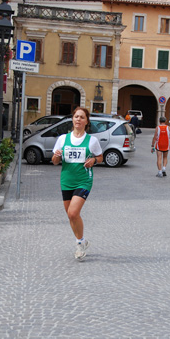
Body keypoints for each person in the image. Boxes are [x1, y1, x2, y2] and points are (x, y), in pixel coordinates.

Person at [52, 107, 103, 261]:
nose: (78, 120)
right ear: (72, 119)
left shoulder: (92, 140)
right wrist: (56, 155)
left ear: (86, 121)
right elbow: (54, 162)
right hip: (66, 180)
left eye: (82, 117)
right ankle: (82, 241)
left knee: (73, 213)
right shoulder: (62, 139)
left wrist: (94, 160)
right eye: (76, 117)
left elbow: (100, 157)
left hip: (84, 180)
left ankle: (79, 244)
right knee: (71, 215)